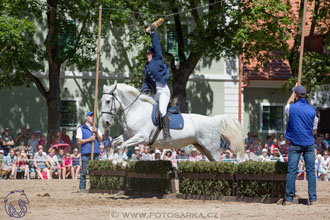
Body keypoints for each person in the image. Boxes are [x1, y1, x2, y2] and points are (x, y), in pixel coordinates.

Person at [283, 85, 318, 205]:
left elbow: (287, 105)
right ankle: (313, 199)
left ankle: (288, 198)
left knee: (292, 171)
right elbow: (314, 130)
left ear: (296, 95)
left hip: (295, 143)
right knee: (311, 172)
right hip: (308, 143)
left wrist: (292, 93)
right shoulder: (313, 111)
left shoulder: (291, 108)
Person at [142, 24, 171, 143]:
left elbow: (157, 46)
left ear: (153, 54)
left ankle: (167, 134)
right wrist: (142, 91)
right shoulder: (147, 66)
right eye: (147, 54)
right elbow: (147, 81)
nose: (148, 55)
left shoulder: (158, 59)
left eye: (149, 54)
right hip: (154, 93)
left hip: (163, 91)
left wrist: (153, 33)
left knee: (162, 110)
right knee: (146, 108)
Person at [77, 112, 102, 192]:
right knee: (84, 171)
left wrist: (96, 133)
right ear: (86, 118)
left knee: (96, 171)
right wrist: (89, 139)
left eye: (93, 116)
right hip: (86, 152)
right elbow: (79, 141)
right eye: (90, 116)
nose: (92, 117)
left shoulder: (96, 128)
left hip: (96, 152)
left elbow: (100, 139)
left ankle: (95, 187)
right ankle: (82, 188)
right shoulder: (81, 128)